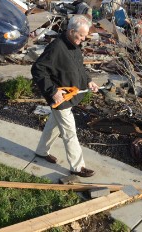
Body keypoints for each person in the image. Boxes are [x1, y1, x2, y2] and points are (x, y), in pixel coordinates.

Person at [31, 14, 99, 178]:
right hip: (60, 98)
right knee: (69, 132)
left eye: (85, 35)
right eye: (81, 35)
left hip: (70, 96)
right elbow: (38, 69)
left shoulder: (74, 45)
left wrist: (89, 81)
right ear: (71, 31)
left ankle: (41, 151)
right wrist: (53, 91)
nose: (83, 39)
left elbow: (79, 68)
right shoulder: (56, 48)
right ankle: (77, 167)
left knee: (53, 125)